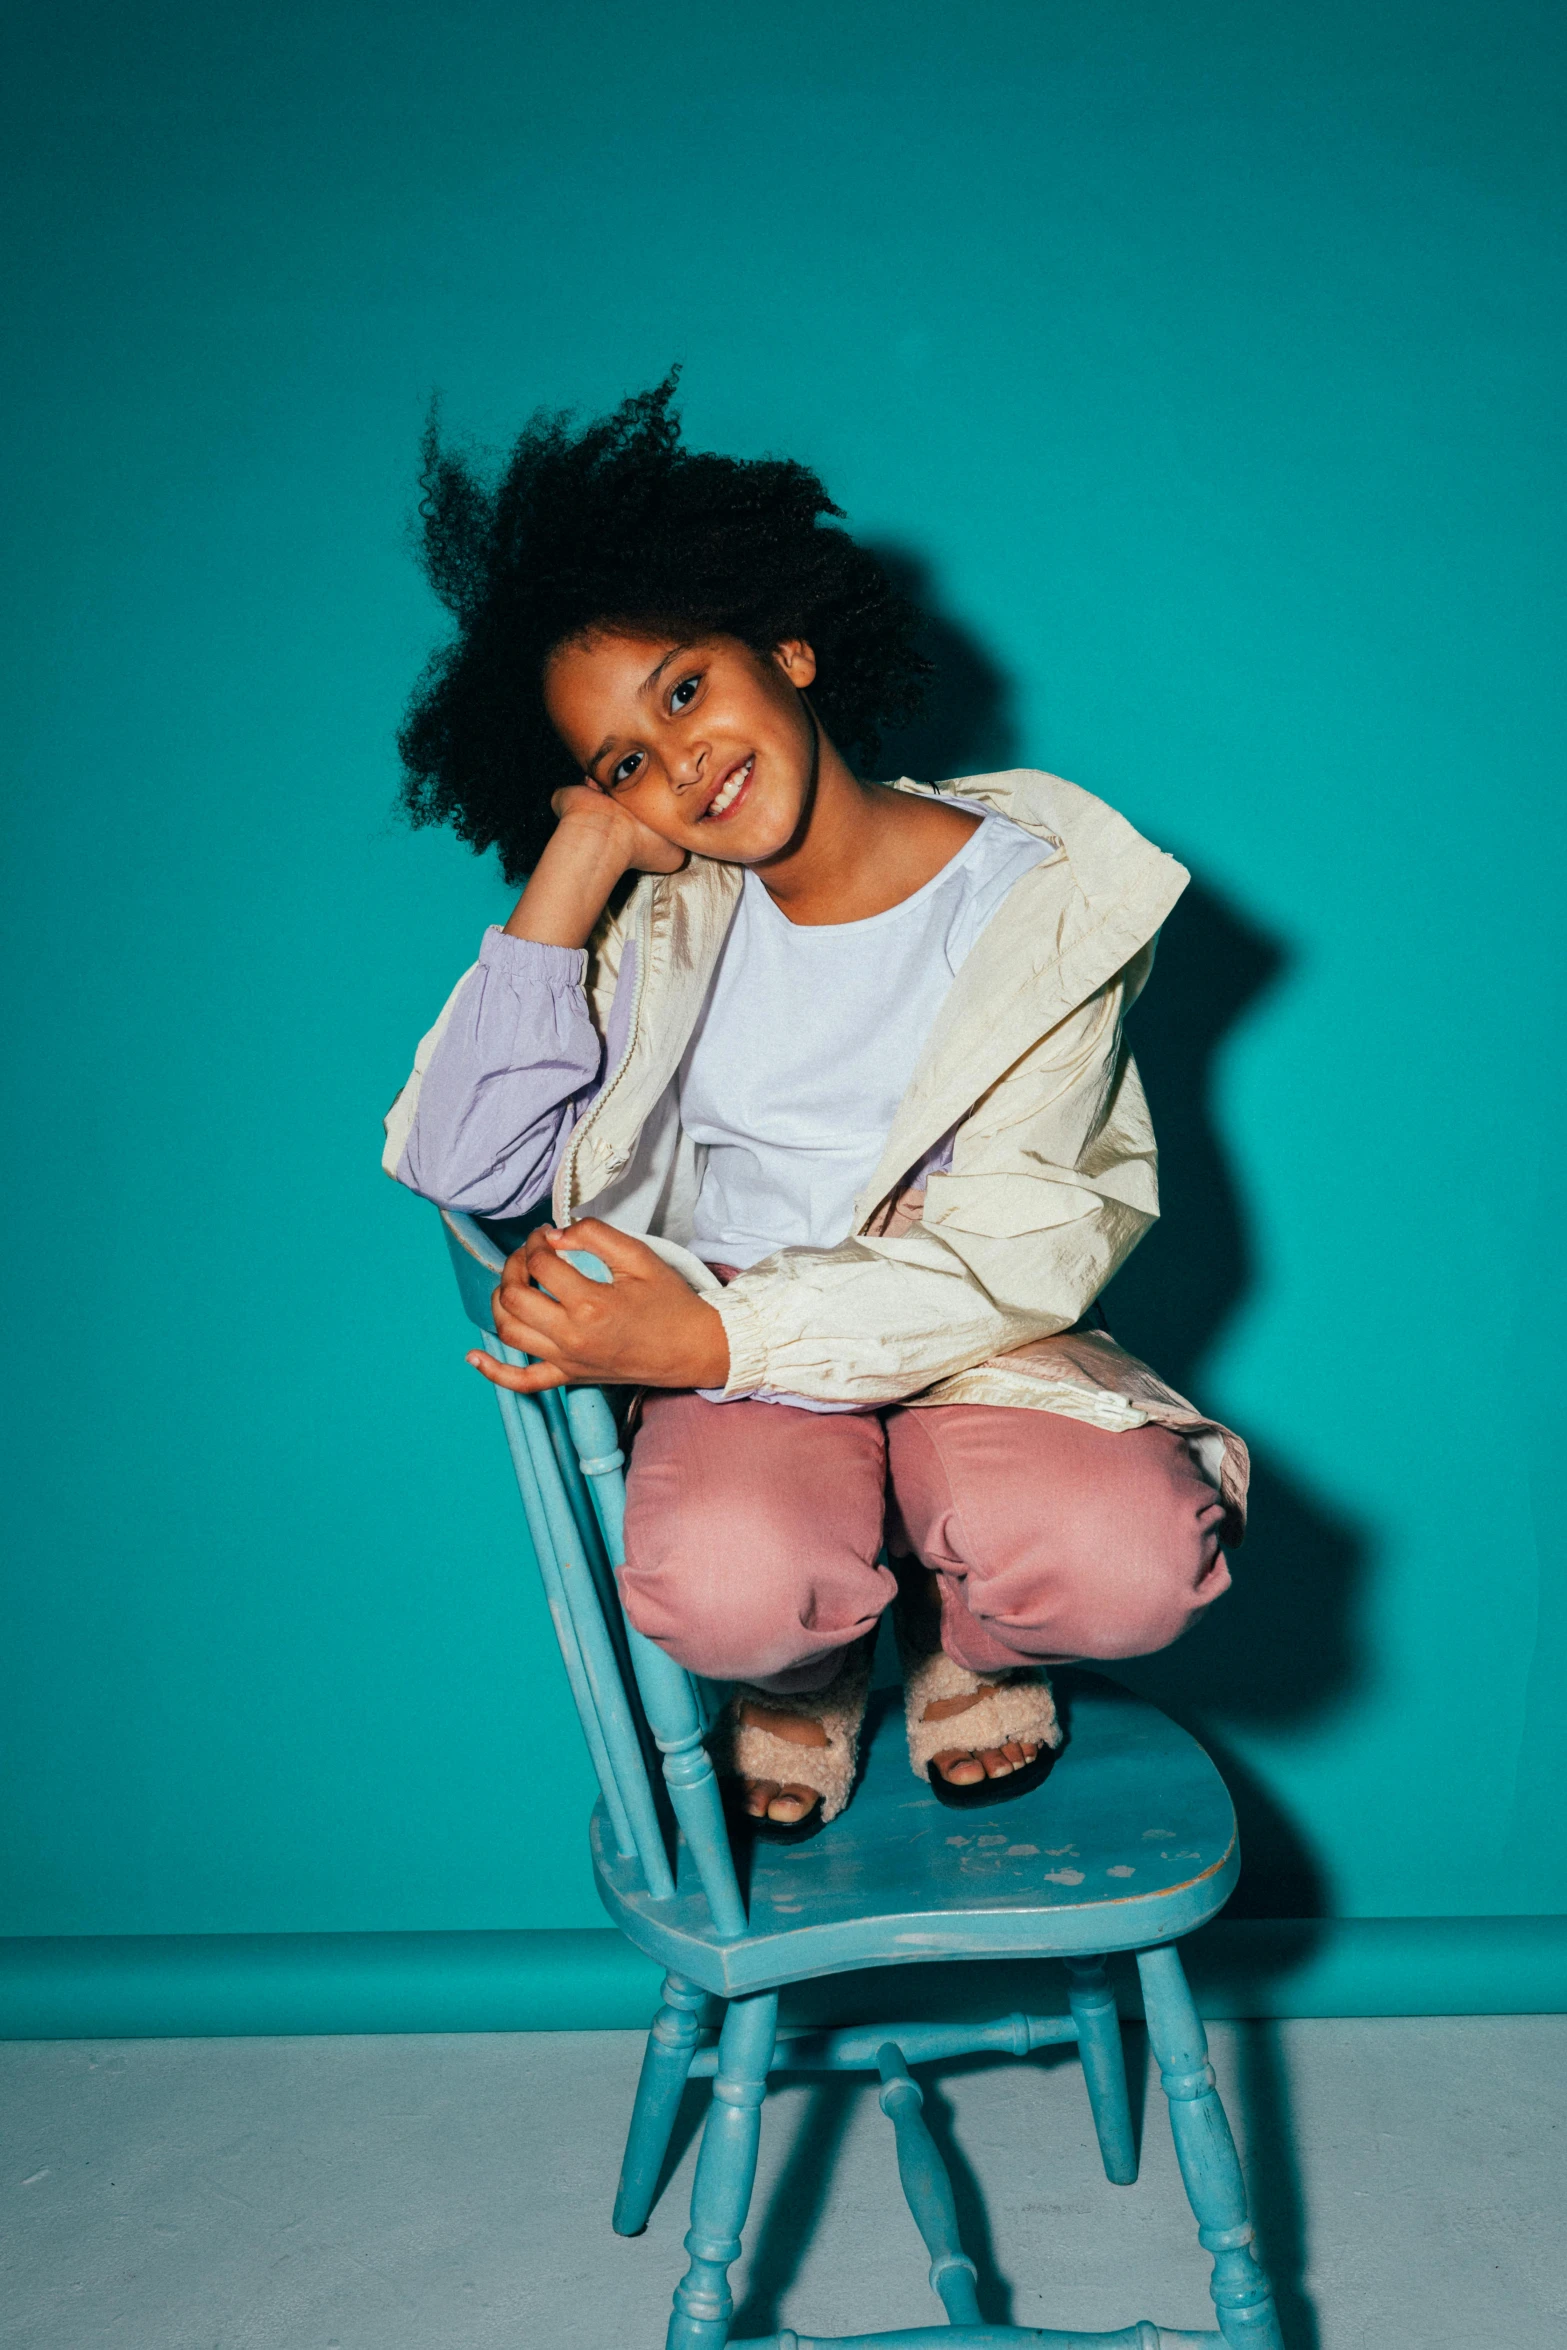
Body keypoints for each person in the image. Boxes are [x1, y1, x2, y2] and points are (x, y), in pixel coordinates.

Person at [384, 376, 1247, 1841]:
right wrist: (574, 872)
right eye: (621, 764)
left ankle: (959, 1645)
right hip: (741, 1369)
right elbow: (463, 1161)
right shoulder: (655, 924)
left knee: (1128, 1559)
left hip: (972, 1334)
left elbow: (1020, 1243)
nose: (681, 763)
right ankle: (813, 1666)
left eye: (683, 689)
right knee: (724, 1591)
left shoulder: (1042, 899)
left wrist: (704, 1330)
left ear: (781, 644)